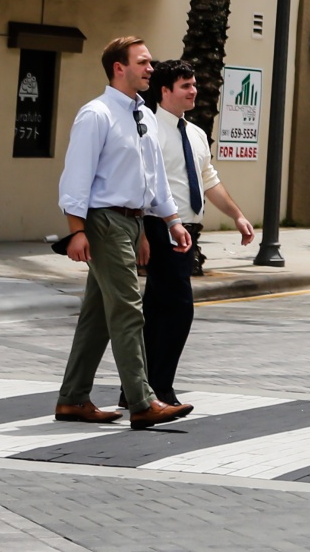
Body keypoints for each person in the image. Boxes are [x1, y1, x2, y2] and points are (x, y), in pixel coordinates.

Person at [54, 36, 193, 429]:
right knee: (130, 310)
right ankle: (143, 401)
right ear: (119, 67)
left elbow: (153, 178)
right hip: (103, 222)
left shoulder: (143, 116)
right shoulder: (95, 114)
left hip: (132, 222)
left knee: (98, 316)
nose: (151, 69)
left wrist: (169, 221)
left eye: (150, 63)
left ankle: (73, 399)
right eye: (143, 62)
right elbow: (76, 177)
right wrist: (75, 230)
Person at [136, 59, 254, 409]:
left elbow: (209, 181)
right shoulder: (149, 130)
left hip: (186, 231)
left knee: (157, 310)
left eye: (194, 85)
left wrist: (237, 215)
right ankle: (161, 388)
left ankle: (137, 390)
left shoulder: (196, 134)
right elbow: (143, 185)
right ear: (165, 91)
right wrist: (142, 233)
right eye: (186, 86)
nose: (194, 91)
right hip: (159, 228)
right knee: (179, 309)